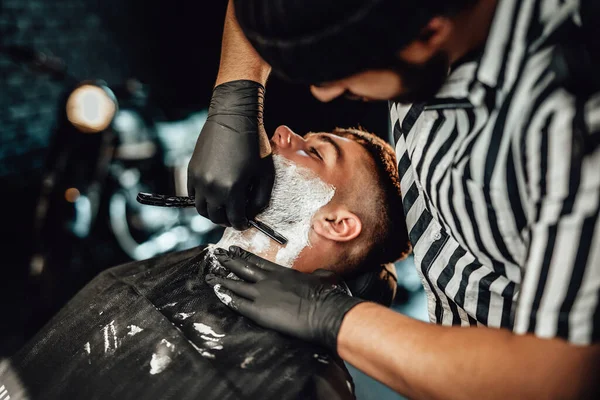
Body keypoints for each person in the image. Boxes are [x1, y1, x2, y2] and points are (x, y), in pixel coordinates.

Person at [188, 0, 600, 398]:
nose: (324, 93)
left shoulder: (572, 130)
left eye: (339, 72)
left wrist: (331, 317)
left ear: (428, 34)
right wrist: (237, 91)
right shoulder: (400, 28)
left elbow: (550, 379)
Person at [2, 126, 410, 400]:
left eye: (315, 151)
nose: (283, 132)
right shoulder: (174, 269)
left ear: (337, 224)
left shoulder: (303, 382)